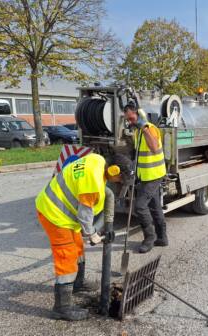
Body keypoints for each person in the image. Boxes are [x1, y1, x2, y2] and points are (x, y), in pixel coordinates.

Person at [35, 153, 128, 321]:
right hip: (54, 214)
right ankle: (61, 308)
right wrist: (92, 234)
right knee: (67, 257)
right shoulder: (92, 183)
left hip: (62, 212)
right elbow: (85, 215)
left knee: (78, 247)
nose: (120, 182)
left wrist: (93, 230)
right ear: (114, 170)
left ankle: (77, 284)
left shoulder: (98, 160)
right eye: (120, 179)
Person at [123, 100, 168, 253]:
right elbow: (140, 154)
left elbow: (154, 148)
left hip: (154, 175)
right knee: (155, 207)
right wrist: (132, 166)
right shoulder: (137, 132)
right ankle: (162, 238)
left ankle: (150, 238)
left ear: (139, 115)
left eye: (131, 118)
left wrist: (143, 126)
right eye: (127, 119)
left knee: (140, 206)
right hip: (145, 175)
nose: (130, 122)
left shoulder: (150, 129)